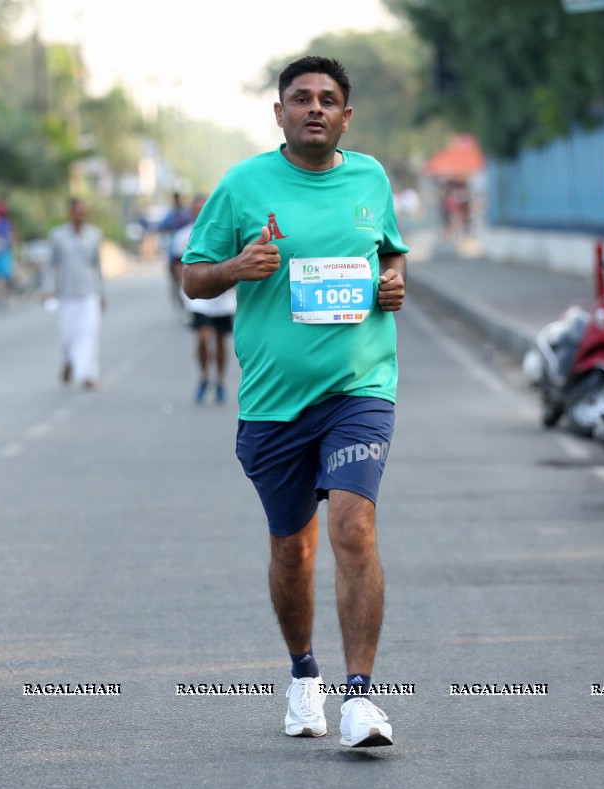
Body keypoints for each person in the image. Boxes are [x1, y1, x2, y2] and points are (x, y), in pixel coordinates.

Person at [181, 55, 407, 748]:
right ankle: (304, 675)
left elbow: (391, 253)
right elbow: (193, 279)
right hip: (275, 406)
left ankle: (361, 699)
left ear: (346, 115)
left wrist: (393, 281)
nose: (315, 107)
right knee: (293, 550)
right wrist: (234, 268)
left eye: (328, 98)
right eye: (301, 98)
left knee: (353, 530)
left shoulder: (371, 178)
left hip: (359, 390)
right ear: (279, 113)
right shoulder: (243, 185)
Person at [172, 194, 236, 405]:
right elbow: (176, 264)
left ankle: (219, 381)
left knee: (219, 340)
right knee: (202, 336)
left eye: (203, 208)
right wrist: (183, 287)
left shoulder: (222, 231)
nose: (199, 212)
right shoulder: (183, 235)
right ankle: (204, 377)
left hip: (223, 297)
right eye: (195, 208)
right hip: (198, 298)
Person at [43, 198, 106, 389]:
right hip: (67, 293)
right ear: (70, 213)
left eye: (83, 211)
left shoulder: (94, 235)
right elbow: (50, 265)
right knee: (68, 335)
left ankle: (87, 374)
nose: (80, 215)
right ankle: (68, 360)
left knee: (89, 334)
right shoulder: (58, 236)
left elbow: (97, 266)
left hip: (89, 293)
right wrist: (48, 290)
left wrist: (102, 293)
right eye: (77, 211)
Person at [160, 191, 193, 314]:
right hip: (178, 252)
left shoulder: (173, 215)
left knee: (178, 279)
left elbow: (161, 227)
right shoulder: (183, 214)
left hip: (179, 251)